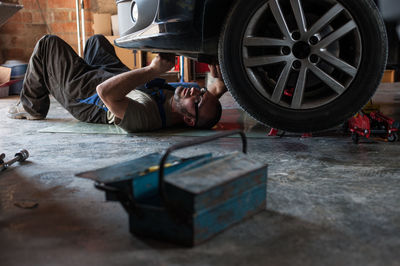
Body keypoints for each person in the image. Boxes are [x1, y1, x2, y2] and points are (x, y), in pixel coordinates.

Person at [8, 34, 227, 132]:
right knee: (97, 42)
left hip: (86, 92)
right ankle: (84, 66)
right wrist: (219, 80)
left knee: (48, 44)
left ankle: (32, 107)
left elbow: (105, 92)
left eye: (197, 100)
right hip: (110, 75)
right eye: (201, 93)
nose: (195, 92)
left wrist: (153, 69)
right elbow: (213, 90)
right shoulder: (183, 102)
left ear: (188, 120)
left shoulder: (147, 117)